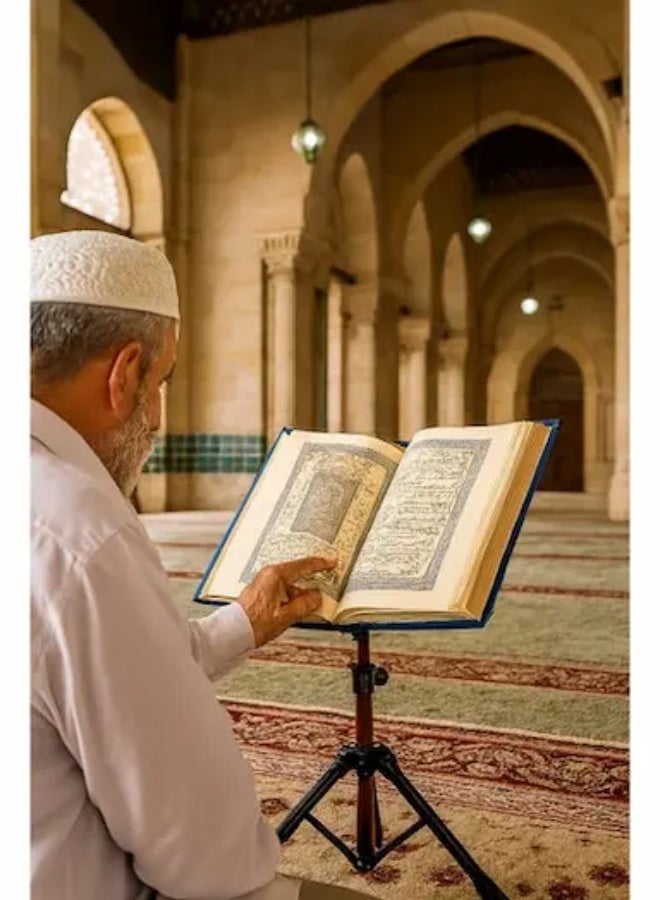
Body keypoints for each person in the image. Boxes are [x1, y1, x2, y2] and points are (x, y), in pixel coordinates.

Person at [30, 231, 374, 900]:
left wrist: (241, 623)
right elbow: (208, 862)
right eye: (162, 383)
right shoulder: (80, 532)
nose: (156, 415)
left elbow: (90, 668)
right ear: (124, 374)